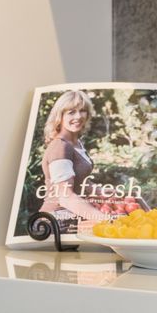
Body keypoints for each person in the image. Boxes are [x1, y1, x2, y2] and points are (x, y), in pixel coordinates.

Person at [39, 89, 113, 235]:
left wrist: (105, 192)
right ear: (60, 116)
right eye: (71, 112)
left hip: (72, 216)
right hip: (55, 223)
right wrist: (106, 220)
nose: (78, 116)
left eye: (83, 111)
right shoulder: (60, 147)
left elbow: (79, 180)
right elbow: (65, 197)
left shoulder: (76, 143)